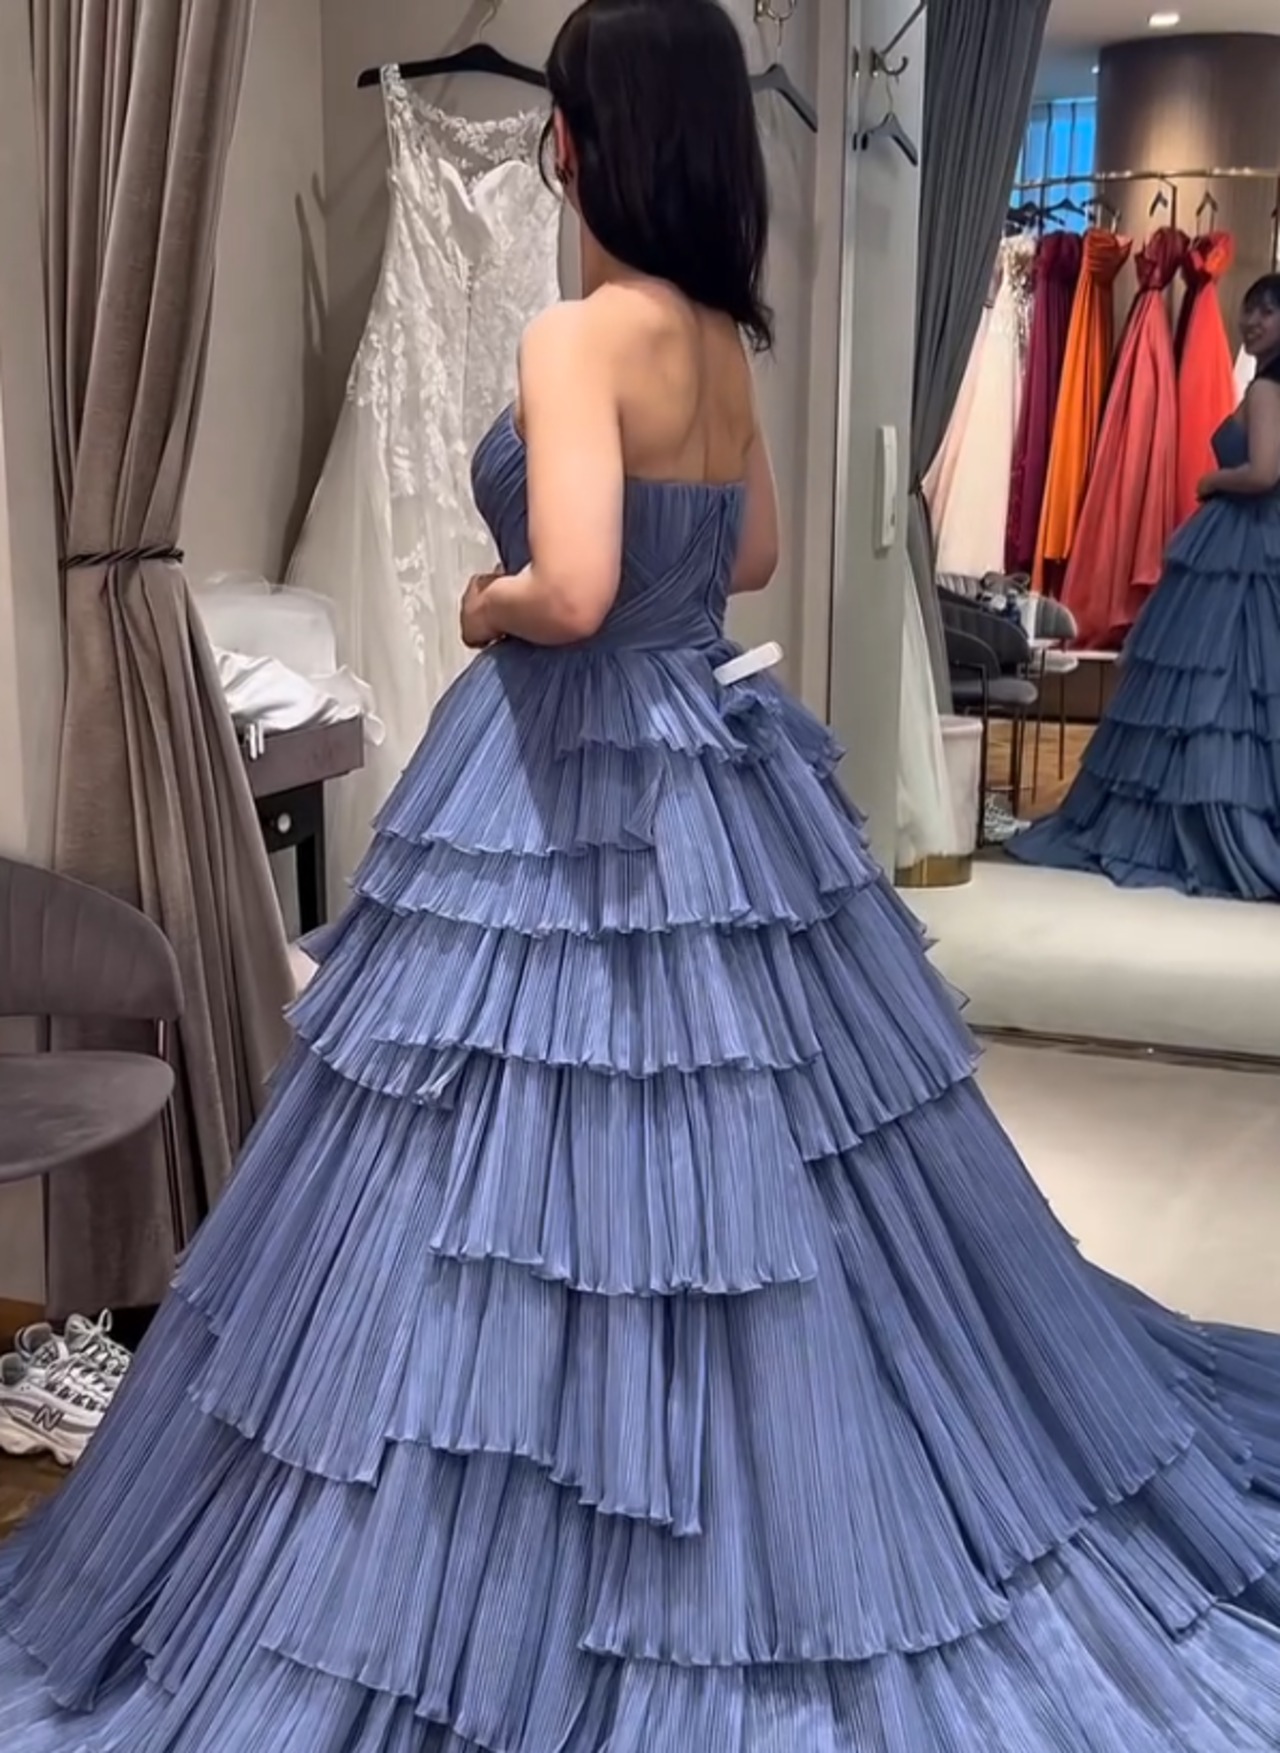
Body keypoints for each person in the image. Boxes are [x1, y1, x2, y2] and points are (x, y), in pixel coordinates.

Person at [3, 3, 1280, 1745]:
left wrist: (483, 602)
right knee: (741, 1137)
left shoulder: (576, 336)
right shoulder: (720, 341)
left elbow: (576, 588)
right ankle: (743, 1481)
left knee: (505, 1138)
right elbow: (750, 552)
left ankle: (510, 1520)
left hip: (565, 770)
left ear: (579, 141)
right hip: (707, 764)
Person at [1010, 273, 1280, 897]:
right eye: (1250, 310)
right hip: (1255, 545)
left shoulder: (1268, 388)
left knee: (1211, 687)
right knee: (1243, 692)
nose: (1252, 321)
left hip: (1239, 544)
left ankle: (1205, 819)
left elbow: (1264, 472)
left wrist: (1212, 482)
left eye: (1267, 312)